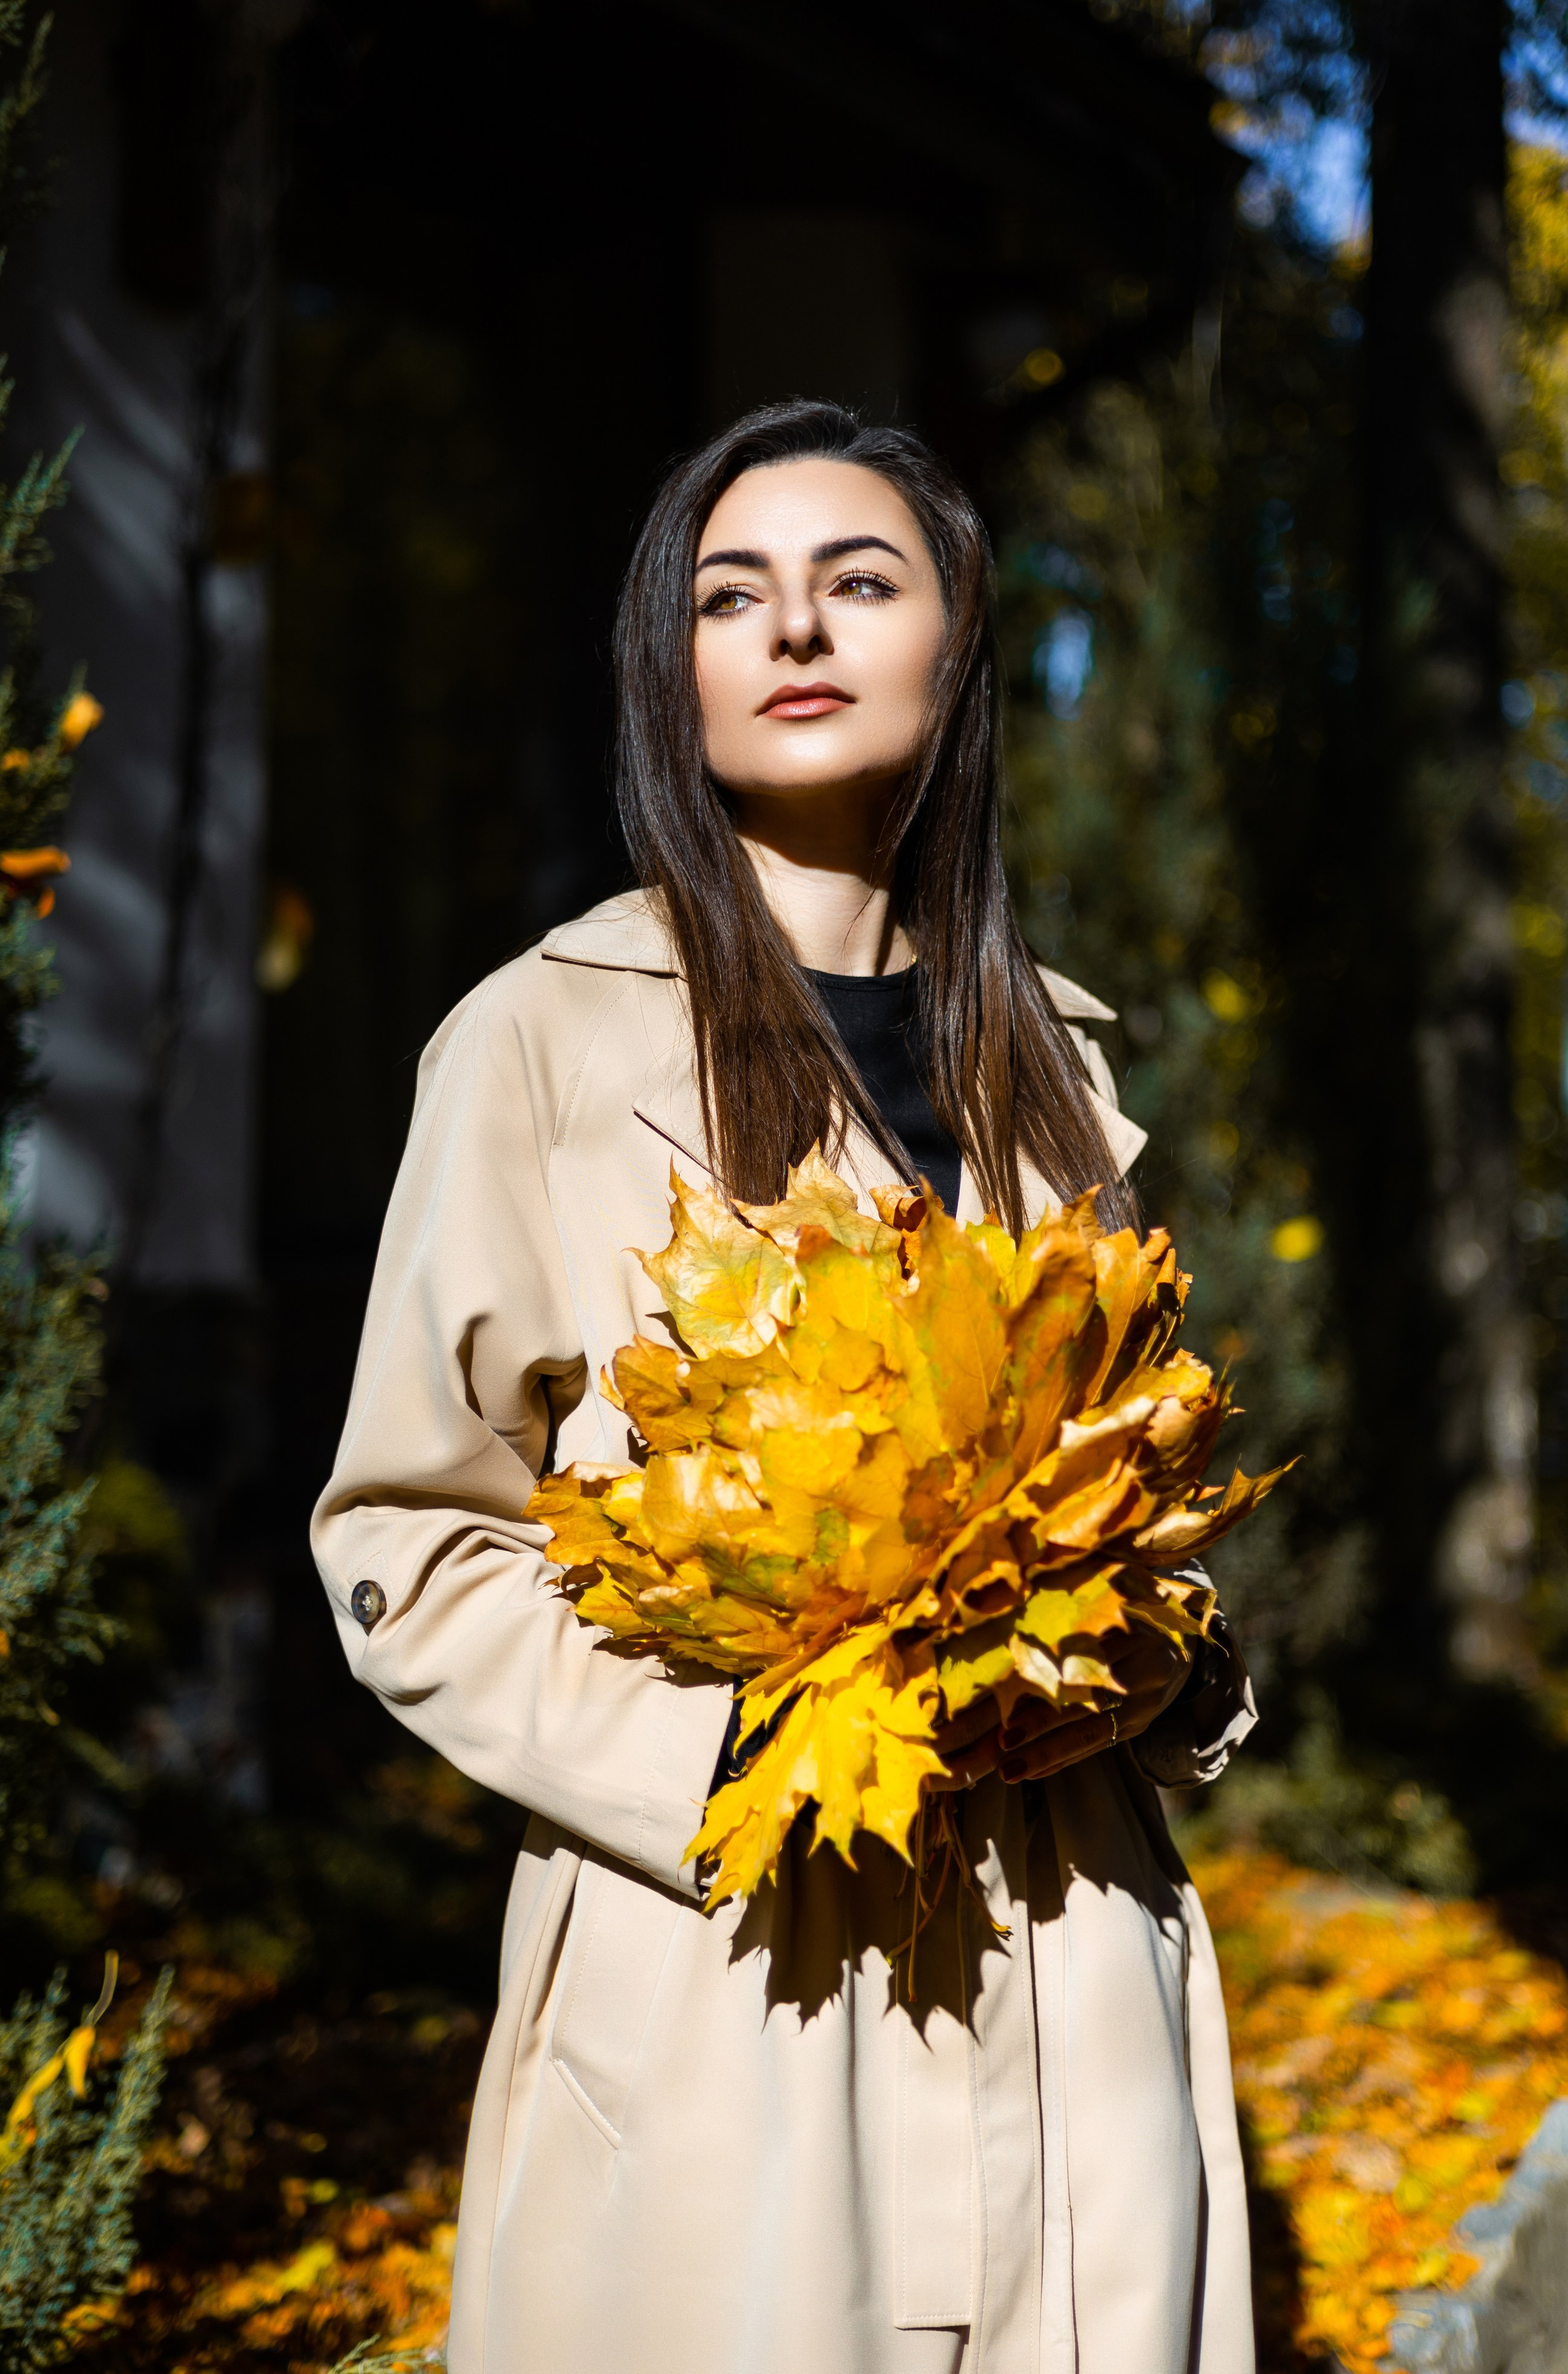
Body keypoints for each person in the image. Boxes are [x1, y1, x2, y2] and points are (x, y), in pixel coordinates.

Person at [312, 399, 1258, 2374]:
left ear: (957, 644)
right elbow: (409, 1537)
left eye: (860, 581)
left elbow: (1134, 1506)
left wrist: (1165, 1670)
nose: (795, 631)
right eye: (732, 597)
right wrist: (730, 1760)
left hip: (1077, 1964)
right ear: (677, 673)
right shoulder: (535, 1050)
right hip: (736, 1970)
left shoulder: (1058, 1068)